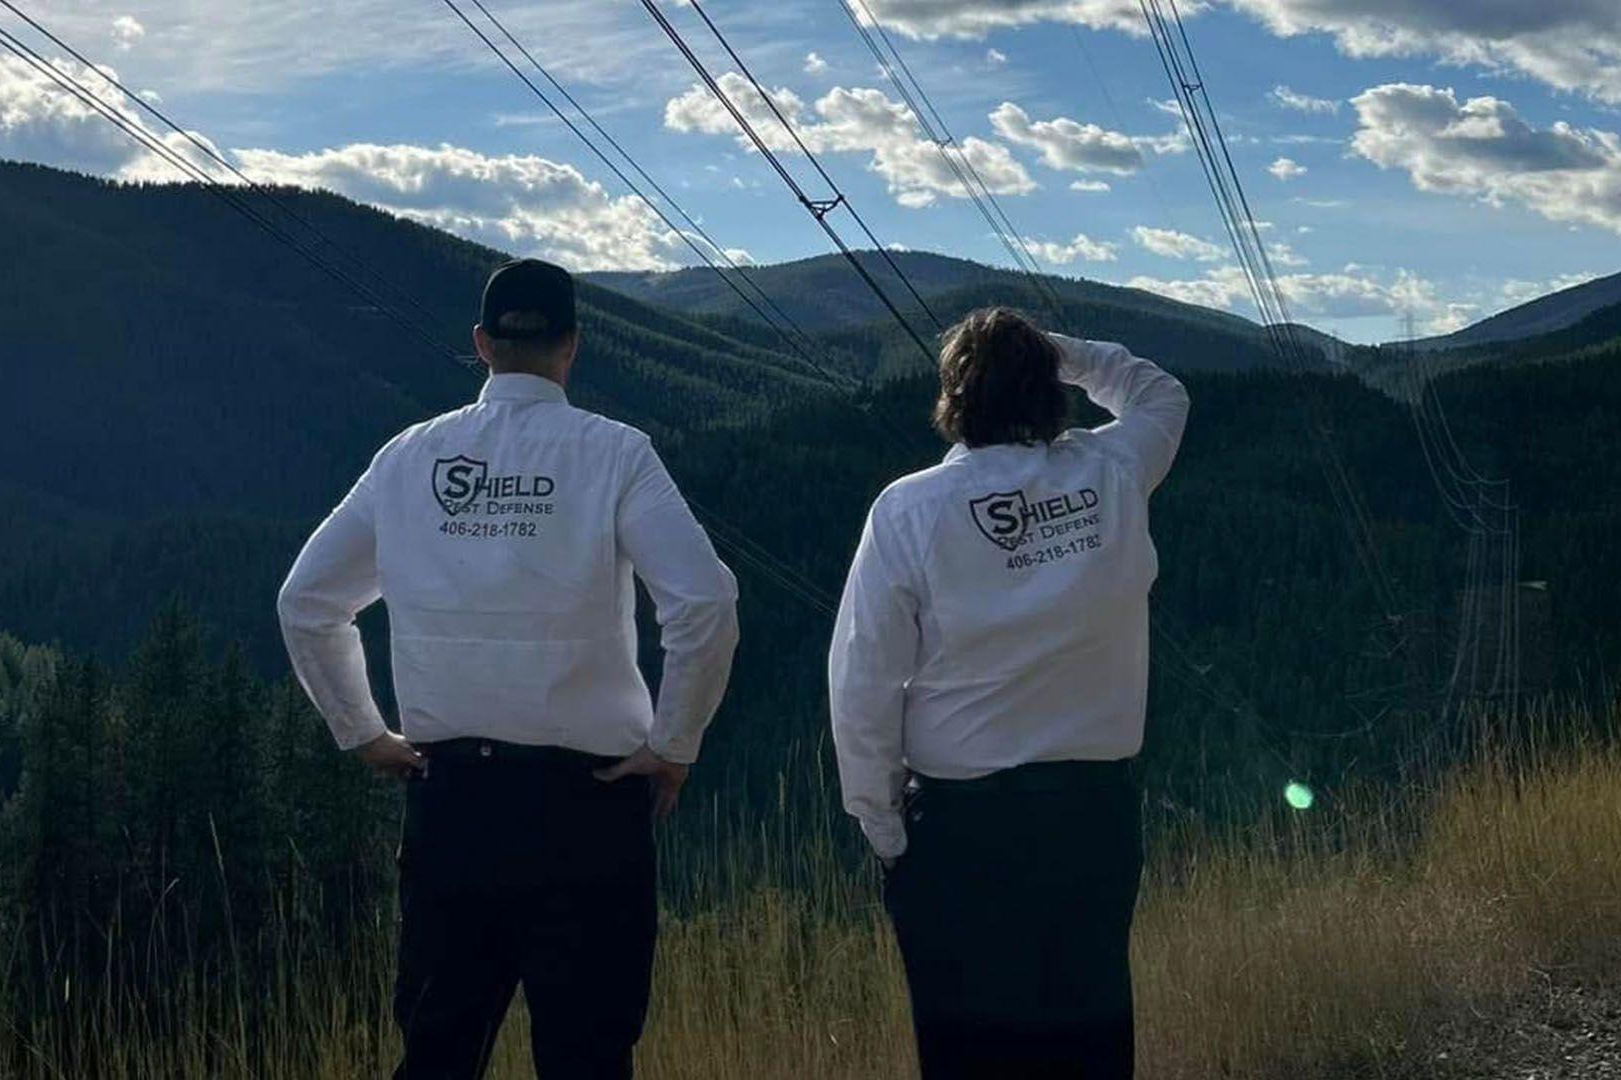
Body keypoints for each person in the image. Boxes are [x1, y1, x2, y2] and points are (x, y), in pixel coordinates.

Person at [277, 257, 740, 1080]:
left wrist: (364, 732)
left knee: (438, 1055)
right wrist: (673, 745)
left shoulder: (409, 458)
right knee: (589, 1058)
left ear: (483, 345)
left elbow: (308, 602)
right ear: (574, 345)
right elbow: (703, 602)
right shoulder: (616, 454)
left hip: (452, 803)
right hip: (588, 810)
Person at [829, 307, 1189, 1079]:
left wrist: (886, 829)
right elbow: (1160, 394)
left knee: (968, 1053)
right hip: (1091, 819)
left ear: (954, 400)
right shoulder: (1110, 473)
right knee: (1090, 1043)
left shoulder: (909, 509)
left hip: (961, 833)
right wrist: (1056, 351)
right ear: (1049, 389)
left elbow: (863, 682)